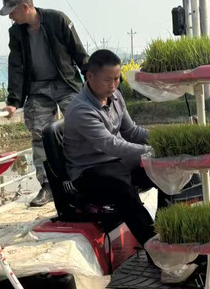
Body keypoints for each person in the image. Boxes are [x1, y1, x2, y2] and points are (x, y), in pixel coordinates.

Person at [0, 0, 90, 207]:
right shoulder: (16, 33)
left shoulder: (57, 20)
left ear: (24, 7)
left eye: (12, 12)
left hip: (66, 83)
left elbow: (77, 50)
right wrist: (13, 101)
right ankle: (49, 185)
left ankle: (84, 177)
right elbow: (16, 66)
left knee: (79, 125)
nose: (10, 17)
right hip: (38, 89)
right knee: (39, 134)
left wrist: (90, 75)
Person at [63, 49, 155, 245]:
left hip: (115, 163)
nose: (113, 85)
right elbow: (111, 145)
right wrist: (151, 152)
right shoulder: (81, 109)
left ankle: (168, 231)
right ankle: (156, 250)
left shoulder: (116, 96)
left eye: (117, 79)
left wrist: (163, 140)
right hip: (89, 171)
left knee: (167, 173)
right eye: (108, 80)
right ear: (90, 76)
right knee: (123, 189)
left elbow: (132, 132)